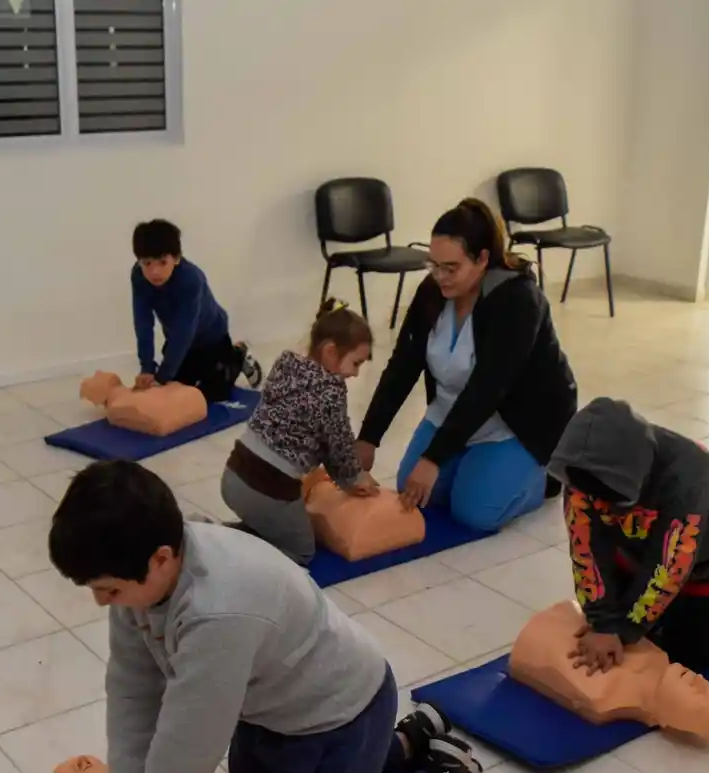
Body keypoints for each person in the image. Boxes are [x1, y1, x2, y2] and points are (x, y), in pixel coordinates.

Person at [48, 459, 482, 773]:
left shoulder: (218, 612)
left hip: (341, 718)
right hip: (268, 714)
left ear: (160, 558)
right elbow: (133, 688)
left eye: (108, 590)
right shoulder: (143, 569)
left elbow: (191, 735)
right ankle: (403, 744)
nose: (102, 602)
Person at [355, 198, 577, 533]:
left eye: (451, 268)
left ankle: (543, 478)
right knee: (411, 489)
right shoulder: (432, 293)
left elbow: (488, 388)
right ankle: (472, 465)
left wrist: (433, 459)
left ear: (483, 259)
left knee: (474, 513)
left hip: (516, 425)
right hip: (455, 412)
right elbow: (402, 365)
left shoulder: (517, 301)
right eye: (434, 265)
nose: (440, 277)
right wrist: (368, 438)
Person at [548, 397, 709, 676]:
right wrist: (603, 623)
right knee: (626, 641)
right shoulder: (580, 471)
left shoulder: (688, 472)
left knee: (698, 658)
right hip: (631, 548)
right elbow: (585, 550)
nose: (598, 504)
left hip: (706, 558)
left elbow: (671, 566)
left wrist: (626, 630)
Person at [220, 298, 381, 564]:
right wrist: (354, 478)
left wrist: (340, 475)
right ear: (330, 352)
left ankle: (216, 536)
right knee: (301, 551)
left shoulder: (286, 364)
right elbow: (338, 443)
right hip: (267, 489)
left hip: (233, 475)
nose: (355, 374)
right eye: (356, 363)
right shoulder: (331, 390)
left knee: (268, 528)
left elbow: (317, 436)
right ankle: (233, 565)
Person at [131, 219, 261, 404]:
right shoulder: (138, 277)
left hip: (212, 338)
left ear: (176, 259)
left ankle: (237, 355)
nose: (154, 272)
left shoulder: (191, 279)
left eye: (162, 262)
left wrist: (162, 377)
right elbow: (142, 322)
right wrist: (147, 368)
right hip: (182, 342)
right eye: (147, 263)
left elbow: (183, 331)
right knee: (177, 392)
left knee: (212, 396)